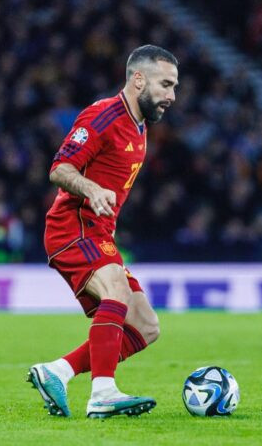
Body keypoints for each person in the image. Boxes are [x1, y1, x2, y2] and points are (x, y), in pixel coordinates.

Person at [27, 45, 178, 418]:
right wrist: (92, 190)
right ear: (138, 79)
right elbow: (60, 168)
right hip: (72, 227)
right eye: (165, 85)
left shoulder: (140, 125)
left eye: (174, 87)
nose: (172, 96)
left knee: (145, 325)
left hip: (99, 234)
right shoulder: (104, 115)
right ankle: (103, 393)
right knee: (117, 291)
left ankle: (56, 372)